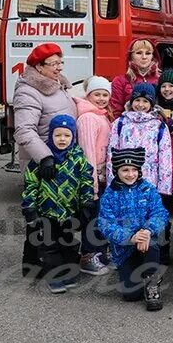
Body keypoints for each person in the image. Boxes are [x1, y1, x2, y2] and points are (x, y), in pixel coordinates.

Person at [12, 42, 77, 277]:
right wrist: (45, 158)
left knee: (55, 212)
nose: (59, 67)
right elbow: (25, 130)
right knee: (42, 214)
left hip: (61, 158)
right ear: (39, 67)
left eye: (61, 62)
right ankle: (35, 262)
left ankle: (40, 262)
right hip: (43, 162)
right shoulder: (29, 91)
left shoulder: (56, 85)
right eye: (54, 64)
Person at [21, 114, 93, 293]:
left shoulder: (78, 158)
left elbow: (86, 180)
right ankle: (55, 277)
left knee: (68, 243)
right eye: (58, 135)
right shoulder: (42, 159)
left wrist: (87, 201)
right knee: (49, 246)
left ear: (73, 137)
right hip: (47, 211)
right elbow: (31, 183)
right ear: (51, 135)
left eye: (67, 135)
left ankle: (69, 272)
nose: (62, 139)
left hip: (69, 211)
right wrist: (29, 207)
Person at [97, 148, 168, 311]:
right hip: (125, 246)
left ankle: (152, 283)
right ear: (117, 171)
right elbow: (105, 224)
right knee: (131, 295)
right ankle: (131, 270)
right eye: (125, 170)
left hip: (146, 241)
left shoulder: (148, 189)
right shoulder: (109, 195)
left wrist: (147, 231)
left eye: (134, 170)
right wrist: (130, 237)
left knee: (151, 244)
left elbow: (160, 213)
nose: (130, 174)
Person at [74, 75, 114, 276]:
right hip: (92, 177)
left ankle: (101, 252)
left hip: (103, 176)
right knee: (91, 217)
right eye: (97, 94)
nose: (101, 98)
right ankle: (88, 255)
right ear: (88, 95)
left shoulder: (101, 115)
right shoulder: (88, 118)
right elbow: (87, 150)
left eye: (105, 94)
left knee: (101, 216)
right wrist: (90, 183)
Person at [106, 83, 173, 198]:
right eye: (137, 100)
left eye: (145, 101)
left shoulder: (159, 126)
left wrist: (164, 189)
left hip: (149, 181)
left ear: (151, 104)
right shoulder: (121, 123)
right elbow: (112, 153)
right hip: (124, 179)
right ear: (132, 101)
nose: (141, 105)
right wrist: (111, 183)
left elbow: (165, 158)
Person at [110, 39, 161, 118]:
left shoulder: (160, 79)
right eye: (139, 53)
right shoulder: (120, 81)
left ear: (153, 56)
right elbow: (116, 111)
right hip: (128, 127)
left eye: (148, 53)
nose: (144, 57)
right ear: (131, 56)